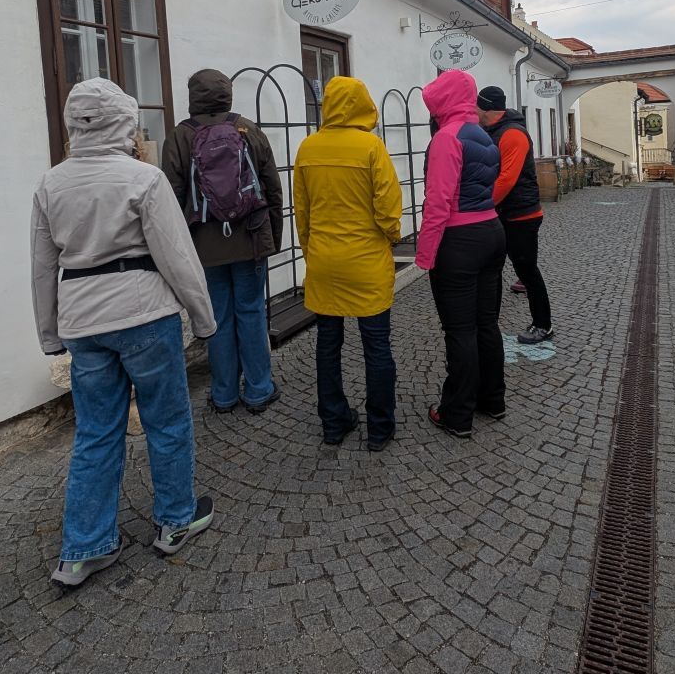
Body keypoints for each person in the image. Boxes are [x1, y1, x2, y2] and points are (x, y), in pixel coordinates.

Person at [31, 79, 218, 589]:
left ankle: (84, 548)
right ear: (124, 123)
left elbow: (44, 267)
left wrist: (50, 333)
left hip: (83, 322)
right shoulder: (143, 177)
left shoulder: (51, 185)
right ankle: (176, 519)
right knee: (167, 420)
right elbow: (176, 257)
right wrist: (203, 319)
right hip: (143, 315)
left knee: (95, 431)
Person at [162, 69, 283, 413]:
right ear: (227, 94)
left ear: (192, 96)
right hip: (249, 236)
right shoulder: (248, 129)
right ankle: (259, 389)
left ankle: (224, 393)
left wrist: (181, 249)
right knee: (251, 311)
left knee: (218, 315)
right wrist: (271, 237)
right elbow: (272, 188)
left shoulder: (179, 137)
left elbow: (170, 198)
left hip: (204, 243)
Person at [293, 76, 402, 452]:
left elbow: (302, 213)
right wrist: (391, 237)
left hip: (324, 259)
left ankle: (334, 423)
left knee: (328, 345)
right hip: (365, 260)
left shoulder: (308, 148)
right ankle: (379, 428)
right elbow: (388, 210)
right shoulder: (371, 147)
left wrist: (311, 251)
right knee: (376, 346)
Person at [415, 69, 506, 439]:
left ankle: (456, 413)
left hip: (460, 238)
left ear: (441, 102)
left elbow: (438, 202)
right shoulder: (485, 137)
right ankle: (493, 399)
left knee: (460, 330)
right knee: (486, 324)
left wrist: (425, 254)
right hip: (492, 232)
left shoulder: (445, 139)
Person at [476, 85, 553, 344]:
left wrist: (481, 206)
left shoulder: (512, 134)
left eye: (476, 106)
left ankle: (543, 325)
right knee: (493, 268)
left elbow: (507, 179)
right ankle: (488, 323)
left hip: (522, 215)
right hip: (502, 213)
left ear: (485, 108)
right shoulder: (492, 130)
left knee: (527, 270)